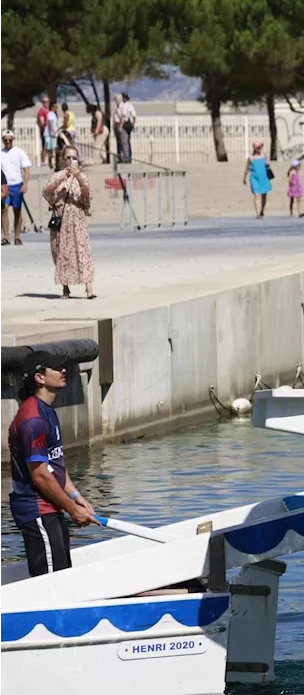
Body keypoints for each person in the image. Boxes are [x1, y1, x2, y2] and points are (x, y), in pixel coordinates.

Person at [9, 350, 97, 577]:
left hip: (51, 507)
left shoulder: (46, 411)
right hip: (37, 510)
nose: (63, 371)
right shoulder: (33, 420)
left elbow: (55, 464)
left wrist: (77, 497)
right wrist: (72, 509)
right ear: (39, 378)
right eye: (56, 368)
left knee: (63, 575)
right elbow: (40, 475)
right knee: (52, 583)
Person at [43, 147, 96, 299]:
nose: (71, 160)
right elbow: (47, 192)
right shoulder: (57, 176)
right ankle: (65, 288)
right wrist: (61, 178)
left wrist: (78, 177)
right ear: (63, 159)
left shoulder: (82, 177)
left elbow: (87, 195)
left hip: (76, 221)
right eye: (68, 157)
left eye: (74, 157)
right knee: (61, 254)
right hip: (61, 222)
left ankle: (89, 287)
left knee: (82, 252)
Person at [1, 129, 32, 246]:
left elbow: (26, 168)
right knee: (4, 210)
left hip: (16, 184)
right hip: (4, 185)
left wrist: (25, 183)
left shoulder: (19, 152)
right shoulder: (1, 154)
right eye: (5, 140)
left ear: (12, 140)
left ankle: (17, 236)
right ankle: (6, 236)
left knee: (17, 210)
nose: (7, 142)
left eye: (9, 140)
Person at [243, 141, 271, 218]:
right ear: (254, 148)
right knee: (256, 195)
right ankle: (257, 213)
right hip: (254, 178)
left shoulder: (264, 156)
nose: (259, 149)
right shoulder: (251, 158)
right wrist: (244, 178)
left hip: (263, 178)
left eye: (260, 147)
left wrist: (267, 163)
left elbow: (268, 164)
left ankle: (262, 210)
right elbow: (247, 168)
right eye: (258, 147)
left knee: (264, 195)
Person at [116, 93, 136, 164]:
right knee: (128, 141)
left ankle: (126, 158)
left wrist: (121, 126)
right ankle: (129, 157)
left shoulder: (125, 106)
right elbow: (134, 116)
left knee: (124, 142)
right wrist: (133, 125)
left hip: (125, 124)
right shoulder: (131, 105)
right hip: (129, 124)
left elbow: (123, 117)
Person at [37, 97, 54, 168]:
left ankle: (49, 161)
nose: (46, 103)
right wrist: (43, 129)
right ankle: (43, 161)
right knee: (44, 146)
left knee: (49, 147)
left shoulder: (48, 111)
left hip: (49, 132)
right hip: (44, 132)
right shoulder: (41, 111)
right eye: (44, 102)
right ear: (42, 102)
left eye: (47, 101)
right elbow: (41, 121)